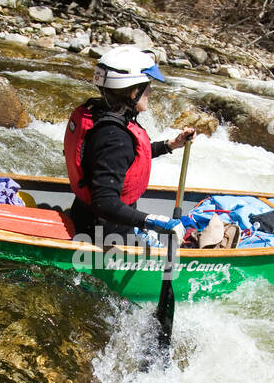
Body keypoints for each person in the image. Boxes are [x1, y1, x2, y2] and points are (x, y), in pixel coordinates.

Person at [63, 47, 196, 248]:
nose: (150, 91)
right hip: (105, 234)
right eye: (147, 86)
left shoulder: (99, 115)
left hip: (88, 217)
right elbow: (104, 203)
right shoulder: (115, 137)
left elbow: (123, 160)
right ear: (133, 91)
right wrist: (152, 220)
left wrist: (170, 145)